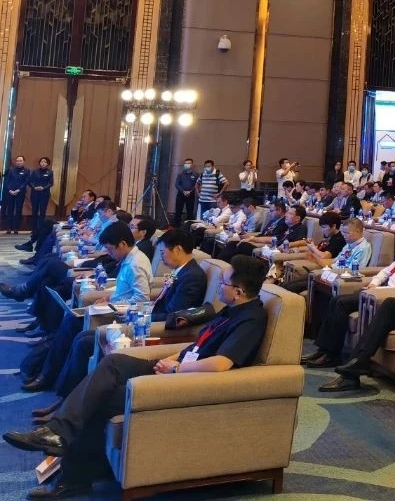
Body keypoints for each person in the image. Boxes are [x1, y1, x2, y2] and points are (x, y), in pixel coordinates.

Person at [4, 256, 270, 498]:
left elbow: (221, 363)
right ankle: (59, 432)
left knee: (102, 397)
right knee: (114, 362)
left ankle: (73, 476)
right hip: (178, 367)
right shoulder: (231, 309)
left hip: (189, 382)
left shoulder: (250, 319)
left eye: (223, 283)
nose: (219, 287)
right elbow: (199, 345)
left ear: (238, 291)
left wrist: (177, 369)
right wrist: (173, 359)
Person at [32, 229, 208, 421]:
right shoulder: (181, 271)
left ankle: (65, 402)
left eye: (163, 252)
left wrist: (135, 312)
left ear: (178, 249)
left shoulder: (192, 276)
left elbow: (173, 316)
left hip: (155, 329)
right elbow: (160, 303)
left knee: (84, 342)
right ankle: (64, 399)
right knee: (82, 337)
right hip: (145, 317)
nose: (162, 258)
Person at [318, 220, 395, 391]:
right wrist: (374, 283)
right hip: (381, 290)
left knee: (341, 303)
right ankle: (325, 350)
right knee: (337, 300)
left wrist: (378, 291)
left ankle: (332, 355)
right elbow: (386, 271)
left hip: (389, 296)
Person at [19, 157, 54, 251]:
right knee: (34, 212)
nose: (43, 163)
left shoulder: (50, 172)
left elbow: (51, 183)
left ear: (47, 164)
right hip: (35, 193)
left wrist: (43, 188)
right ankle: (34, 230)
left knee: (42, 212)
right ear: (39, 163)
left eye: (45, 162)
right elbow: (30, 181)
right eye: (42, 162)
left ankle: (40, 230)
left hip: (44, 194)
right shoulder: (35, 172)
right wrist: (34, 187)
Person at [3, 155, 29, 234]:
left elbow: (26, 182)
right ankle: (8, 228)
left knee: (18, 210)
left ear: (24, 162)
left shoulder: (27, 171)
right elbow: (7, 181)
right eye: (17, 161)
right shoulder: (11, 170)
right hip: (10, 193)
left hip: (20, 193)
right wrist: (10, 190)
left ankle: (16, 228)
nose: (19, 162)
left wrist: (18, 190)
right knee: (10, 210)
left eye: (20, 161)